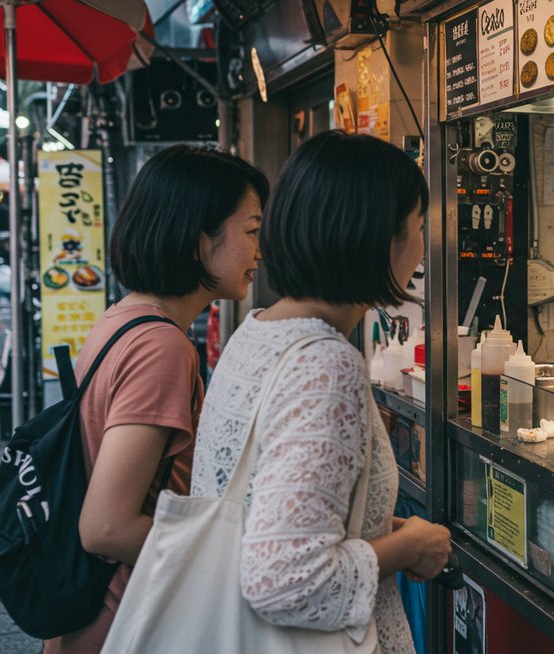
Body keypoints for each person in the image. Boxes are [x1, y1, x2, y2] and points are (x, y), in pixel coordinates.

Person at [191, 131, 451, 653]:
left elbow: (275, 509)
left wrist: (379, 527)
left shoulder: (260, 330)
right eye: (420, 226)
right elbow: (285, 581)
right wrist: (408, 546)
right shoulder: (325, 364)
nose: (425, 243)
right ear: (384, 238)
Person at [46, 145, 269, 653]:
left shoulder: (124, 318)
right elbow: (105, 527)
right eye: (252, 231)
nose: (261, 251)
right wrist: (229, 555)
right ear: (197, 240)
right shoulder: (161, 347)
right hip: (126, 618)